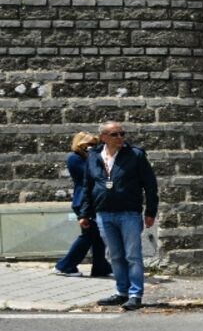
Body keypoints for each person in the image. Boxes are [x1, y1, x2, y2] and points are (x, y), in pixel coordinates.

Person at [80, 121, 159, 311]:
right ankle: (121, 291)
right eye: (115, 134)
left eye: (122, 134)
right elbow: (87, 186)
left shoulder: (135, 155)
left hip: (129, 212)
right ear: (103, 137)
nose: (120, 137)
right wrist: (84, 213)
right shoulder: (93, 156)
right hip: (104, 213)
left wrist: (150, 211)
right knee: (115, 255)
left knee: (132, 255)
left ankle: (135, 294)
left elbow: (150, 185)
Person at [53, 132, 113, 278]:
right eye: (89, 144)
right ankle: (65, 266)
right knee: (88, 235)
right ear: (80, 144)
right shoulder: (75, 158)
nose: (92, 147)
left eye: (95, 144)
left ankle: (100, 266)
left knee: (98, 236)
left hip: (94, 200)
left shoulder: (90, 158)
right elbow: (93, 175)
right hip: (83, 201)